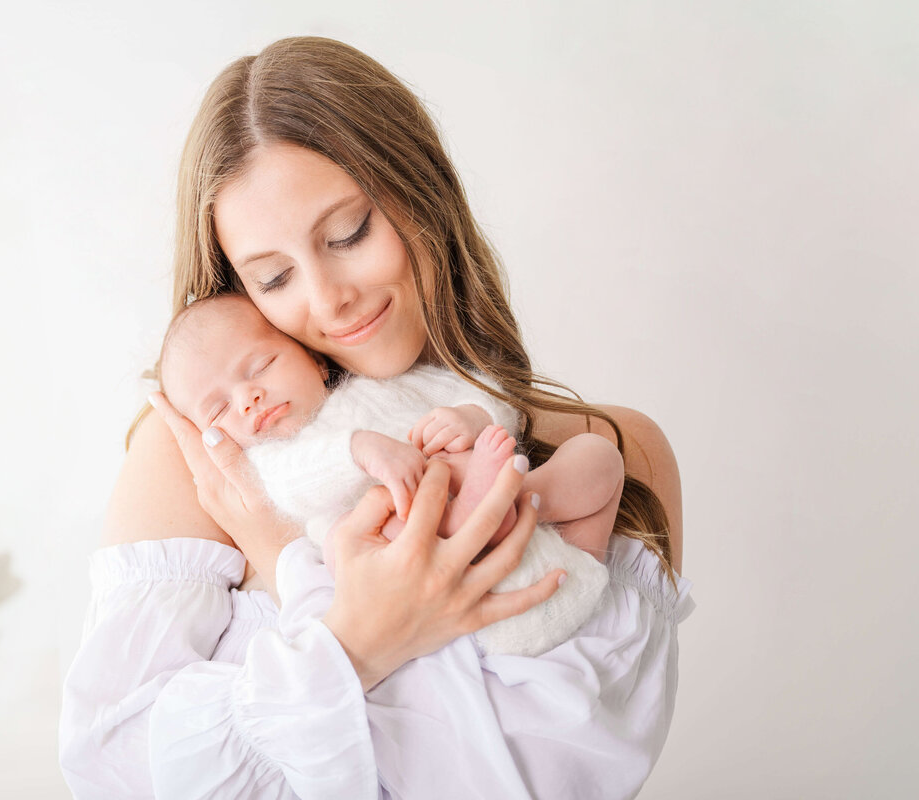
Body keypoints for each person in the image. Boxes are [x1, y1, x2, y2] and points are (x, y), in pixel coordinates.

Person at [60, 36, 692, 799]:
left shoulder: (611, 447)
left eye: (349, 234)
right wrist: (352, 636)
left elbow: (574, 766)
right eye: (274, 276)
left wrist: (282, 556)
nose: (329, 300)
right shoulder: (199, 457)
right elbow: (116, 773)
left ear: (422, 194)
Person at [157, 292, 615, 657]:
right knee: (345, 544)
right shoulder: (274, 458)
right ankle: (468, 514)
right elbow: (290, 485)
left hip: (556, 572)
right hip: (422, 573)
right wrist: (358, 449)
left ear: (314, 358)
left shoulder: (389, 385)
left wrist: (471, 415)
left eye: (261, 366)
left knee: (599, 453)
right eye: (219, 409)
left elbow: (487, 393)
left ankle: (528, 495)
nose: (248, 399)